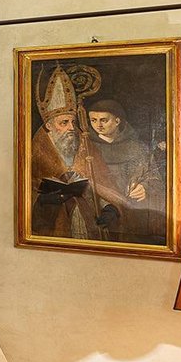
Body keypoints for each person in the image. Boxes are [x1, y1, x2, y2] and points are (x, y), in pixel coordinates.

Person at [30, 65, 129, 240]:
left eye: (72, 122)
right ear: (49, 126)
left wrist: (111, 208)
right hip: (54, 230)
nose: (71, 128)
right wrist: (42, 201)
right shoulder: (34, 153)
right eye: (64, 123)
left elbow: (105, 186)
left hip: (90, 224)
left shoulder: (86, 147)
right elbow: (25, 194)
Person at [87, 98, 166, 243]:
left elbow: (153, 175)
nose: (98, 125)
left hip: (134, 212)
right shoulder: (87, 148)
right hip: (102, 211)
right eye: (93, 120)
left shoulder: (137, 147)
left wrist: (145, 187)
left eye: (104, 120)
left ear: (117, 121)